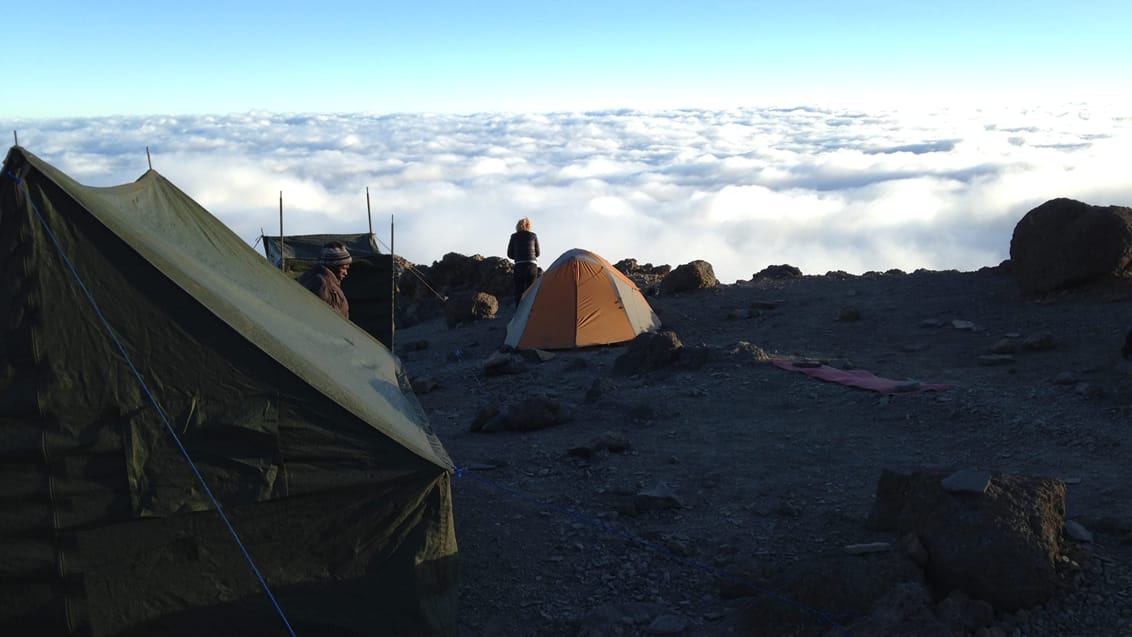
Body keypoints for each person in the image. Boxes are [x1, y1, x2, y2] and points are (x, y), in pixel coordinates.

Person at [297, 241, 351, 318]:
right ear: (333, 265)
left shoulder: (307, 278)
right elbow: (333, 321)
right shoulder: (326, 287)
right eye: (343, 268)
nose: (346, 273)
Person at [507, 217, 540, 307]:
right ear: (529, 226)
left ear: (517, 226)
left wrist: (518, 256)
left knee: (519, 291)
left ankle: (518, 315)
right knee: (531, 292)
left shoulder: (514, 236)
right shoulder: (533, 235)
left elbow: (509, 254)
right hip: (532, 266)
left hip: (520, 266)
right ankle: (530, 315)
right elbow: (538, 253)